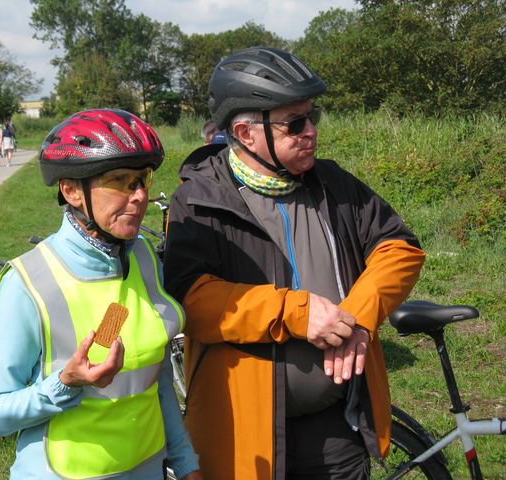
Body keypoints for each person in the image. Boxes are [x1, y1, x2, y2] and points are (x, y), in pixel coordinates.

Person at [163, 46, 426, 479]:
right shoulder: (199, 200)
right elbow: (192, 301)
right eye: (295, 123)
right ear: (245, 133)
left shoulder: (333, 184)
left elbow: (398, 248)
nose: (311, 132)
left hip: (336, 423)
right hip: (245, 437)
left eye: (312, 117)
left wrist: (357, 319)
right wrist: (296, 313)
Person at [0, 109, 202, 480]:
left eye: (142, 179)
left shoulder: (144, 259)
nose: (139, 196)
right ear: (71, 190)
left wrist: (185, 463)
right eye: (119, 181)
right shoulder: (28, 281)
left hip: (146, 467)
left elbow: (158, 379)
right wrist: (64, 384)